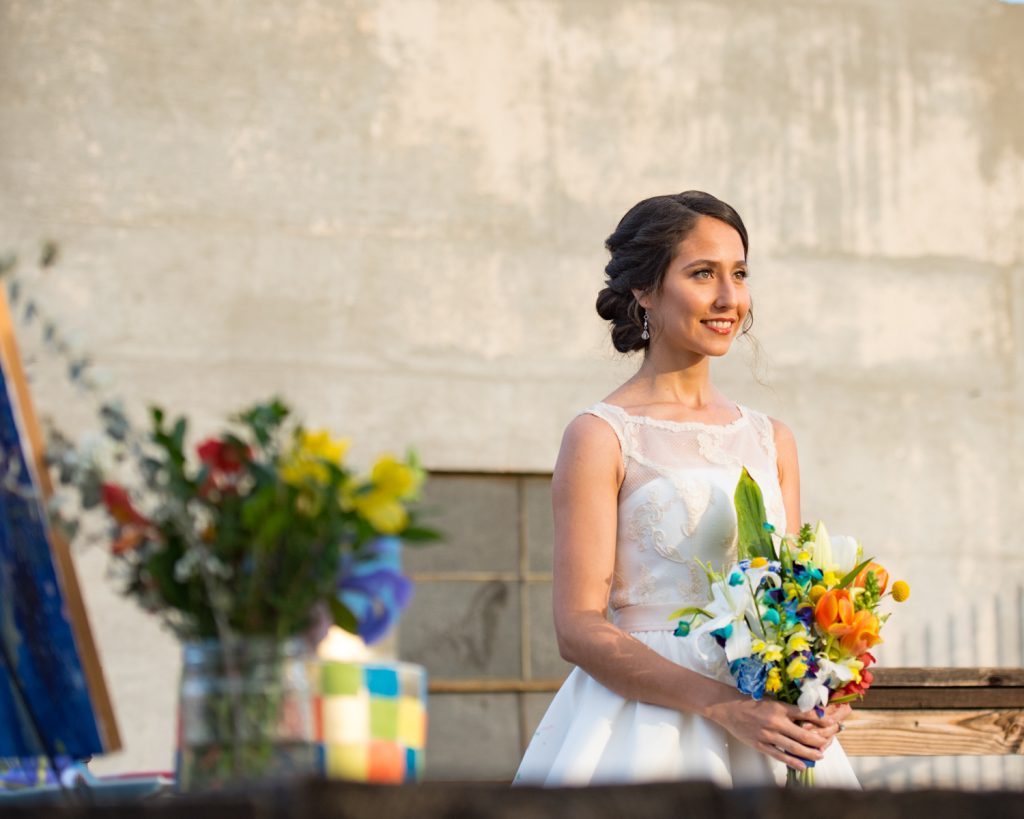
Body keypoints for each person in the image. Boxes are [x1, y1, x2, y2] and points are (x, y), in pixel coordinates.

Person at [514, 192, 860, 787]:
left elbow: (797, 600)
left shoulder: (772, 439)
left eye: (740, 274)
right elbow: (577, 626)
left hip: (769, 726)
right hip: (644, 726)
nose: (729, 298)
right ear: (645, 290)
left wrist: (821, 687)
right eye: (703, 274)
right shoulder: (601, 436)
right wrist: (722, 706)